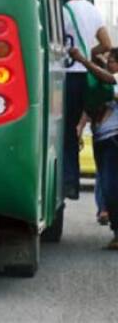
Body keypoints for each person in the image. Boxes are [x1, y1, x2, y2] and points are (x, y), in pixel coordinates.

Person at [63, 0, 112, 200]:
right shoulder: (92, 10)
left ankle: (70, 180)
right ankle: (105, 192)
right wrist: (88, 52)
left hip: (68, 76)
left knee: (69, 130)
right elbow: (106, 43)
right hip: (88, 78)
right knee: (98, 129)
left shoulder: (60, 11)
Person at [69, 46, 118, 248]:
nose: (108, 64)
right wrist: (79, 127)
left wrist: (82, 60)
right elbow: (89, 108)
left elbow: (108, 79)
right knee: (107, 187)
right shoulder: (102, 84)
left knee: (111, 186)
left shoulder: (114, 79)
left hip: (113, 139)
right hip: (101, 140)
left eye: (111, 61)